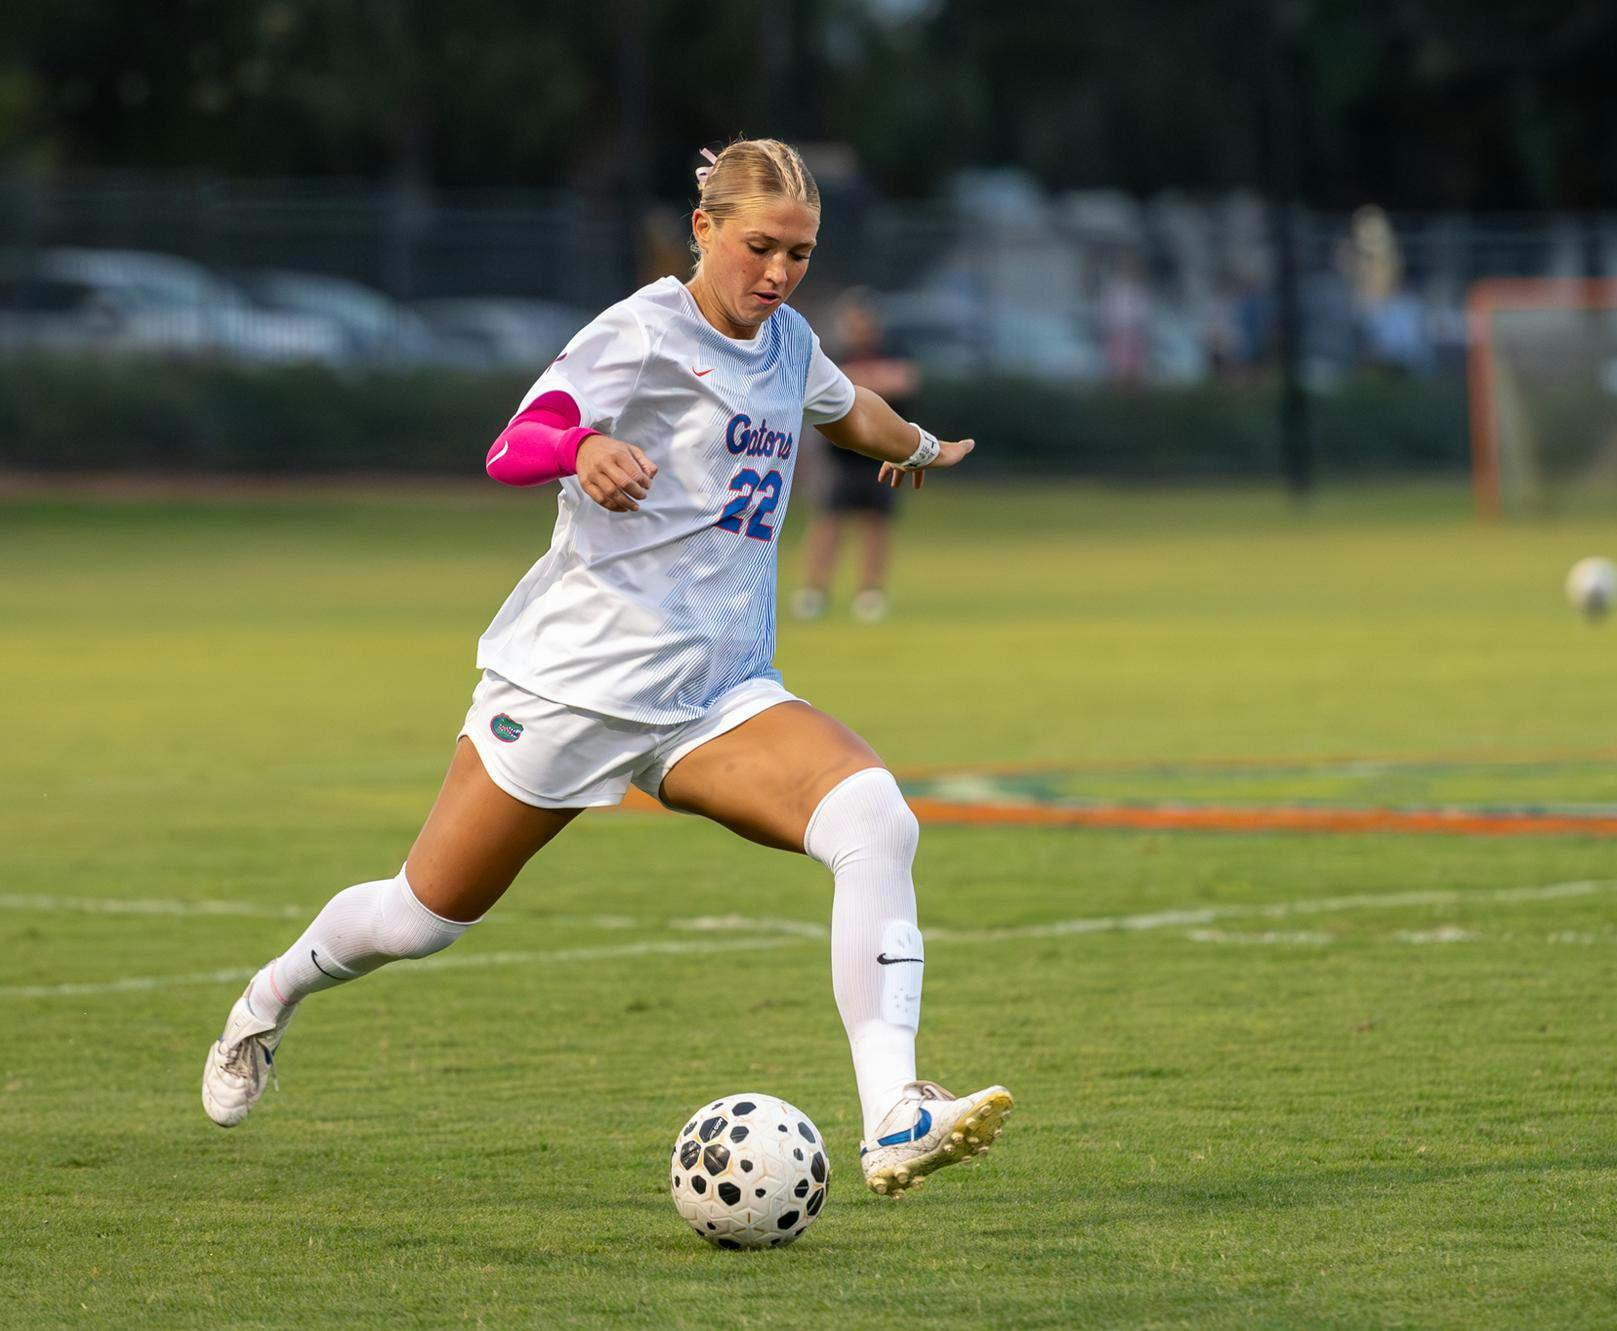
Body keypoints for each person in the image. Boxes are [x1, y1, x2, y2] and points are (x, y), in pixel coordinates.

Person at [201, 138, 1011, 1198]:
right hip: (571, 688)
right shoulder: (639, 333)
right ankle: (264, 999)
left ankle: (894, 1112)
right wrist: (579, 450)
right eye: (758, 246)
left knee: (873, 818)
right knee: (420, 916)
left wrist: (911, 443)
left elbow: (840, 404)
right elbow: (511, 445)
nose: (775, 273)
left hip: (714, 696)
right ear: (704, 231)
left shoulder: (787, 340)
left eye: (798, 254)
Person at [792, 287, 921, 624]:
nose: (859, 327)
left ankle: (870, 592)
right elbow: (828, 390)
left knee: (875, 523)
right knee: (828, 521)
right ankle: (815, 591)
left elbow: (903, 381)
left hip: (883, 455)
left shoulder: (891, 351)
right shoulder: (833, 355)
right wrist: (867, 384)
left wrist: (857, 385)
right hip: (841, 456)